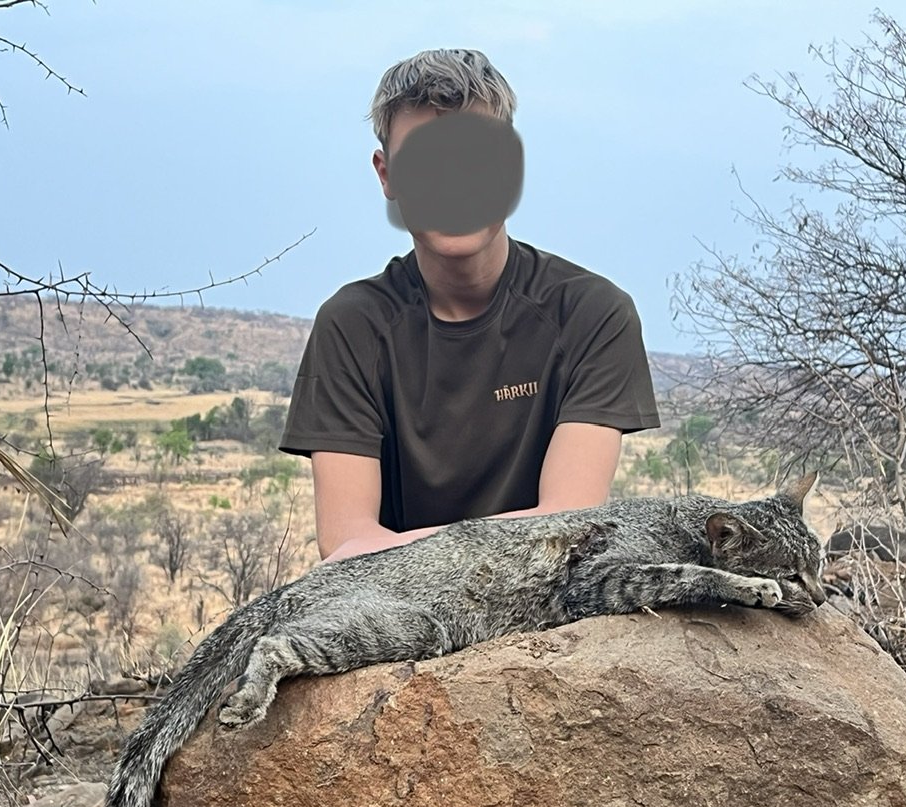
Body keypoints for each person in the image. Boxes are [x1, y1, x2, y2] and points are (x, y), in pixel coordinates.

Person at [279, 48, 660, 562]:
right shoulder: (352, 326)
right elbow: (345, 546)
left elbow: (569, 526)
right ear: (386, 175)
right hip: (399, 623)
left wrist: (394, 550)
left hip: (550, 621)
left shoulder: (594, 314)